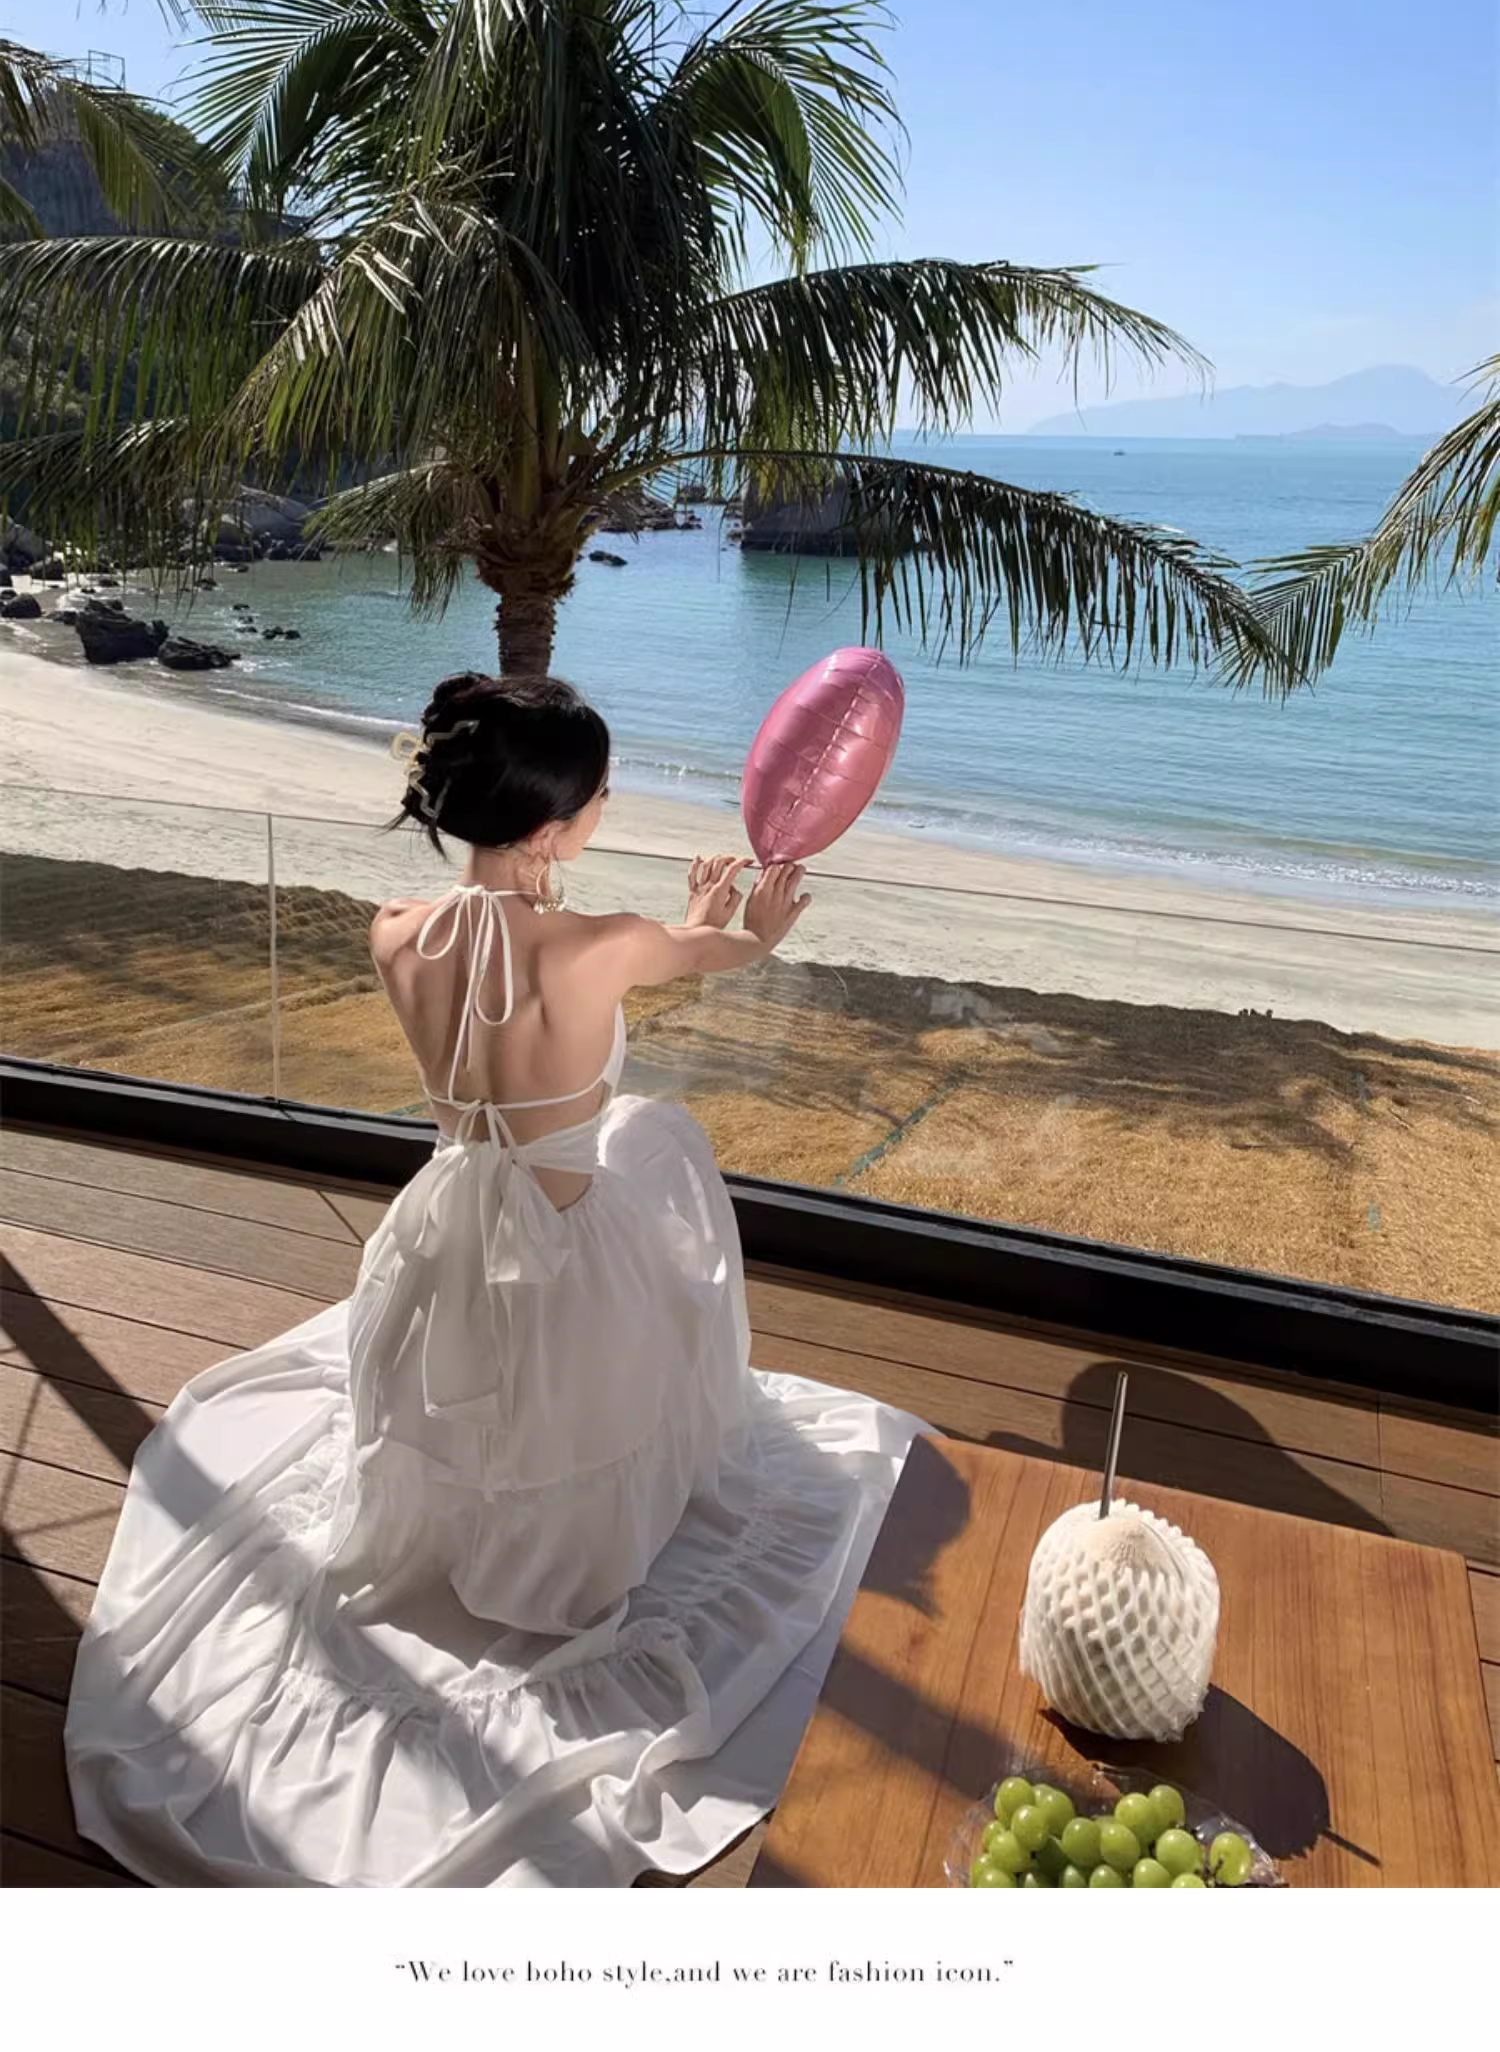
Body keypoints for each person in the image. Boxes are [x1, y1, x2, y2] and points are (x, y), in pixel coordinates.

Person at [66, 674, 928, 1888]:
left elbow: (506, 974)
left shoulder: (393, 931)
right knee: (661, 1143)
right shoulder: (599, 943)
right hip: (562, 1237)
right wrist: (746, 921)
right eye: (598, 795)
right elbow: (722, 952)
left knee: (528, 1289)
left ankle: (462, 1532)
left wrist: (652, 919)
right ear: (548, 828)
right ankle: (560, 1552)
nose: (607, 806)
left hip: (445, 1225)